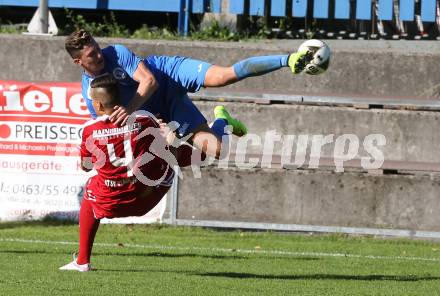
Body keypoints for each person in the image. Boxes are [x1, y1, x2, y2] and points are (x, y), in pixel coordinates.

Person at [64, 30, 313, 159]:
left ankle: (289, 59)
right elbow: (107, 126)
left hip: (168, 73)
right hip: (165, 108)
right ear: (78, 62)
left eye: (97, 48)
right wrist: (150, 126)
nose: (99, 55)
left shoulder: (116, 53)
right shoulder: (91, 92)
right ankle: (223, 120)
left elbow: (149, 81)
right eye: (92, 55)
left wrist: (130, 109)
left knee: (223, 76)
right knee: (217, 151)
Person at [59, 74, 177, 272]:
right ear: (120, 97)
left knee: (91, 187)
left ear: (96, 104)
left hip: (110, 202)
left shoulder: (89, 130)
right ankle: (219, 129)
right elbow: (162, 141)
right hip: (145, 198)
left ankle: (82, 262)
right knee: (172, 153)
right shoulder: (144, 119)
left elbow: (86, 166)